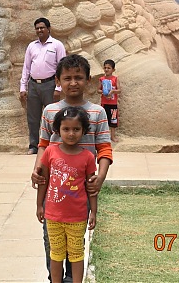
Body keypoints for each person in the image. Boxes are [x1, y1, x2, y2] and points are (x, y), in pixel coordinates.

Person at [32, 54, 112, 283]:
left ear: (88, 80)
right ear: (58, 80)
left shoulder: (97, 113)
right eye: (67, 78)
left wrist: (101, 177)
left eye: (78, 77)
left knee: (76, 243)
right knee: (53, 242)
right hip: (54, 192)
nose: (73, 82)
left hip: (81, 192)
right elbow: (43, 145)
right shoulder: (50, 111)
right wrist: (37, 170)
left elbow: (104, 149)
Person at [35, 106, 97, 283]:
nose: (71, 133)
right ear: (58, 130)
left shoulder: (88, 157)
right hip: (53, 215)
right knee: (56, 253)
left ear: (84, 131)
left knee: (76, 253)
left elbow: (91, 188)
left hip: (77, 216)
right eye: (66, 129)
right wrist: (39, 204)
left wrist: (93, 211)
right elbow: (43, 181)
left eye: (76, 129)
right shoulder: (50, 152)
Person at [20, 17, 67, 155]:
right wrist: (23, 87)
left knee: (53, 116)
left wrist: (58, 88)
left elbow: (62, 67)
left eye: (42, 28)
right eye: (37, 28)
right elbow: (26, 68)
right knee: (33, 118)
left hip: (50, 84)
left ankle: (54, 145)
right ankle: (34, 145)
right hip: (34, 85)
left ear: (48, 29)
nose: (39, 30)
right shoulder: (31, 46)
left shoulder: (57, 45)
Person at [98, 59, 120, 141]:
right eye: (105, 68)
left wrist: (113, 91)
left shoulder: (115, 79)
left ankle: (113, 136)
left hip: (113, 104)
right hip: (104, 103)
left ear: (113, 70)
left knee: (113, 120)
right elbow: (98, 90)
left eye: (109, 68)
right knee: (103, 119)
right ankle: (104, 136)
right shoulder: (101, 79)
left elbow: (119, 90)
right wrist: (103, 92)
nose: (106, 69)